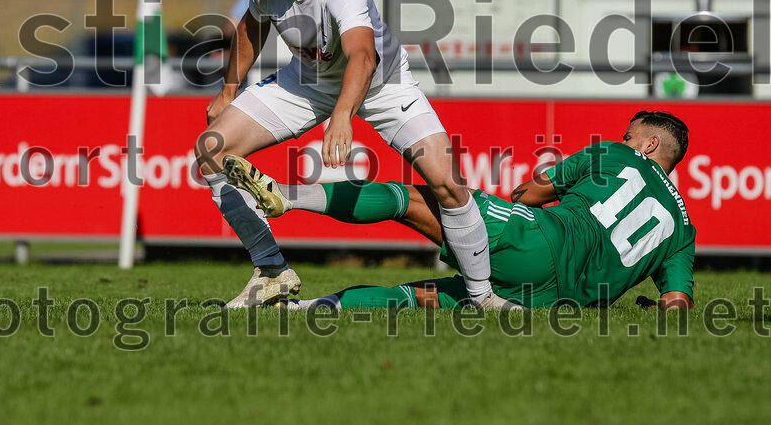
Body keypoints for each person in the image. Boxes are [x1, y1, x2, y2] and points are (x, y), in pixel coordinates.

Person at [195, 0, 499, 309]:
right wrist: (229, 89)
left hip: (383, 85)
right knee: (210, 149)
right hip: (308, 82)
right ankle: (271, 271)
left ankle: (483, 297)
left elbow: (364, 57)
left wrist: (342, 115)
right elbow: (253, 25)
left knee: (447, 183)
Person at [226, 111, 695, 310]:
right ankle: (296, 311)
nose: (624, 139)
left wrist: (523, 206)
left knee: (412, 198)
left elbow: (530, 194)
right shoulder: (683, 231)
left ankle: (286, 196)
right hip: (554, 303)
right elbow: (678, 303)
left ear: (650, 144)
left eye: (631, 135)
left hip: (538, 243)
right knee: (422, 297)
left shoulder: (617, 154)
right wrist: (656, 305)